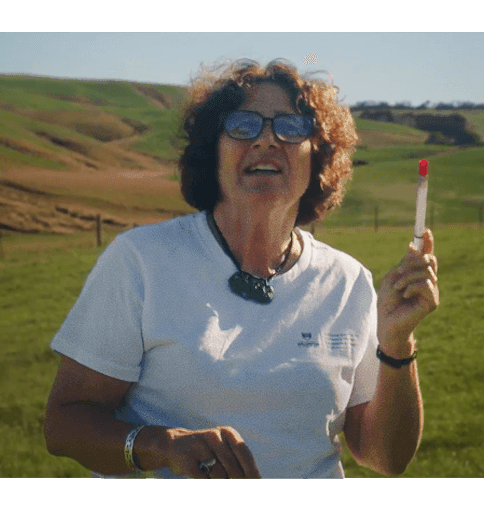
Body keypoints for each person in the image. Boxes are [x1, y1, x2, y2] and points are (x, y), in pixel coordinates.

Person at [43, 59, 439, 479]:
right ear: (212, 150)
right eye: (243, 125)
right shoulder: (140, 261)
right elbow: (65, 424)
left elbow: (386, 457)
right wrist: (161, 445)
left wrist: (398, 341)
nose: (267, 140)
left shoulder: (348, 282)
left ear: (317, 156)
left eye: (290, 127)